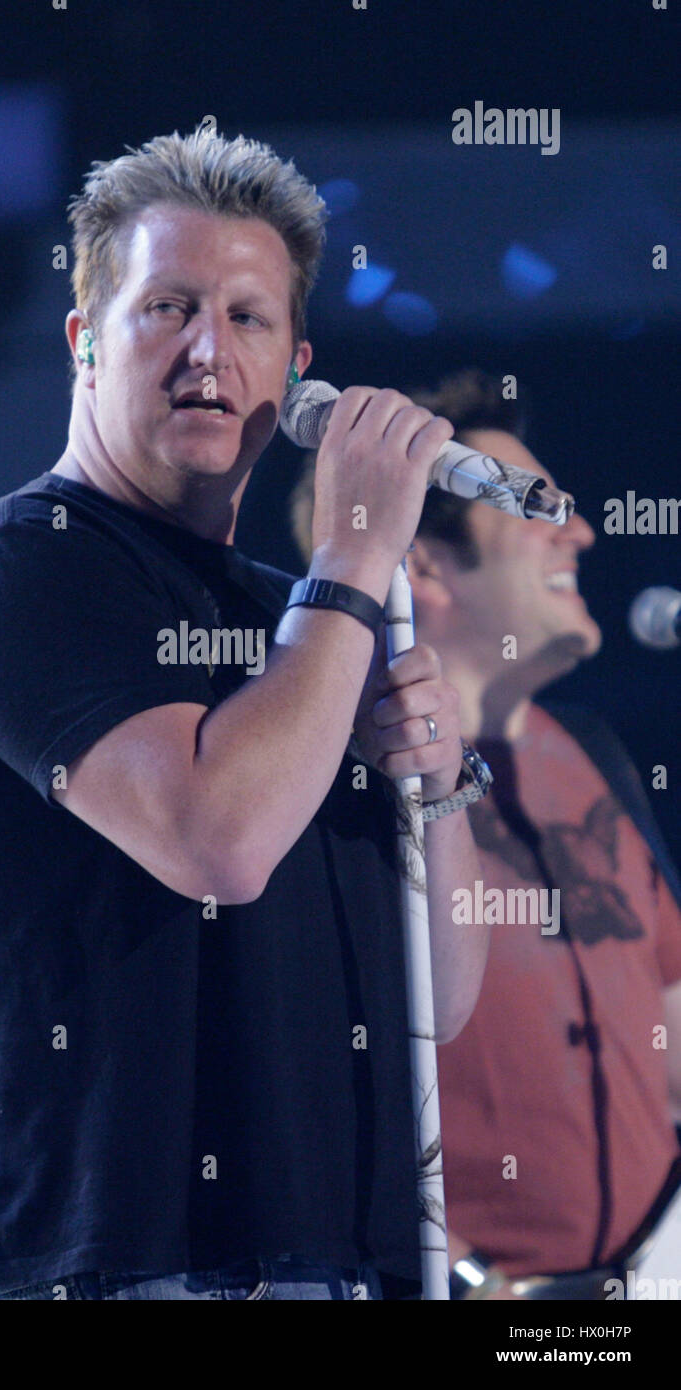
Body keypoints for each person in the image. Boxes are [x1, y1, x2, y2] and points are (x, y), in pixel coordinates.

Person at [0, 127, 490, 1302]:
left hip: (345, 1270)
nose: (209, 349)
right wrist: (358, 549)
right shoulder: (13, 569)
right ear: (83, 342)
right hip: (125, 1273)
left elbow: (444, 997)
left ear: (296, 375)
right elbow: (218, 838)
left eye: (248, 318)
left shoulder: (310, 624)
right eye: (168, 307)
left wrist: (443, 783)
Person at [292, 368, 681, 1298]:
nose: (581, 531)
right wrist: (473, 1282)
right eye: (539, 508)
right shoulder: (332, 786)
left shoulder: (595, 756)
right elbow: (299, 1098)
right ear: (422, 563)